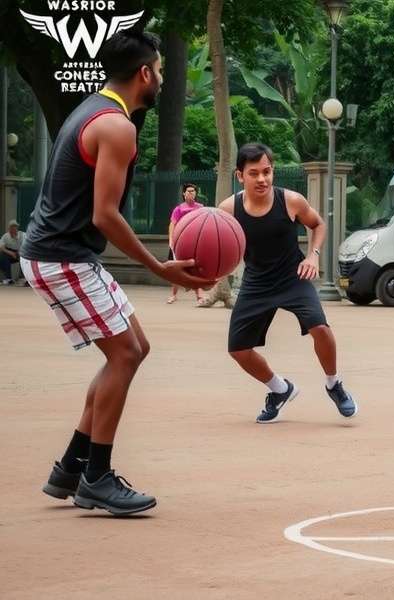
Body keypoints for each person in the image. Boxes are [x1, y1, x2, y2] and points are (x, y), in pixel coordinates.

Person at [20, 31, 215, 516]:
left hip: (64, 252)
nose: (163, 80)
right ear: (145, 73)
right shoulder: (117, 127)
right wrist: (158, 265)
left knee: (133, 349)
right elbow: (105, 214)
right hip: (60, 256)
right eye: (161, 71)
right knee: (124, 354)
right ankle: (97, 478)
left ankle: (72, 465)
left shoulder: (93, 109)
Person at [220, 143, 357, 423]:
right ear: (239, 176)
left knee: (320, 327)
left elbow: (318, 224)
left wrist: (313, 257)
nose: (262, 179)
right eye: (254, 173)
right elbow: (218, 243)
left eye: (267, 171)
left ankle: (334, 384)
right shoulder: (228, 209)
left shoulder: (291, 200)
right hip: (256, 282)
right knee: (238, 350)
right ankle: (280, 389)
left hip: (293, 277)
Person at [166, 183, 204, 305]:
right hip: (180, 243)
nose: (191, 193)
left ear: (196, 193)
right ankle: (173, 295)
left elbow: (204, 224)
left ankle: (199, 296)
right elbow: (173, 224)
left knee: (196, 269)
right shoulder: (179, 209)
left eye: (193, 191)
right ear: (183, 193)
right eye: (188, 191)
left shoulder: (200, 208)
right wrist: (171, 240)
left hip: (195, 243)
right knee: (176, 269)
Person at [0, 219, 25, 284]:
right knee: (2, 256)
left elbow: (27, 245)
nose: (13, 228)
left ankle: (22, 278)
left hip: (21, 251)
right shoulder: (6, 236)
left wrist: (20, 252)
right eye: (12, 227)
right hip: (10, 252)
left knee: (24, 258)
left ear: (17, 228)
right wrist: (10, 253)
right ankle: (9, 278)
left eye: (15, 226)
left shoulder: (22, 235)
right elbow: (1, 247)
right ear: (9, 228)